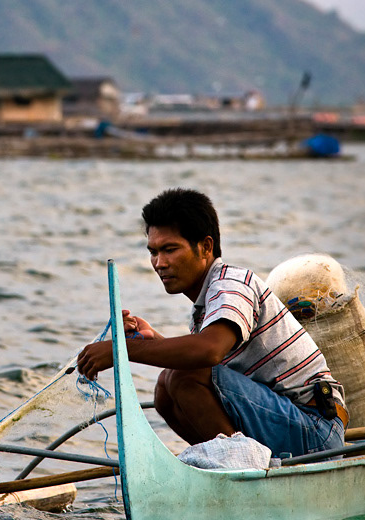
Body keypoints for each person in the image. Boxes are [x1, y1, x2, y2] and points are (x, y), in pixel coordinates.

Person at [77, 187, 347, 459]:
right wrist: (150, 339)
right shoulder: (206, 307)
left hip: (315, 428)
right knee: (164, 391)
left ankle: (239, 468)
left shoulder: (231, 283)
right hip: (285, 420)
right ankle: (231, 463)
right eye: (153, 252)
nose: (159, 263)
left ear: (205, 247)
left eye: (170, 249)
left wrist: (121, 351)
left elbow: (209, 351)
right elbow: (210, 361)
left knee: (182, 376)